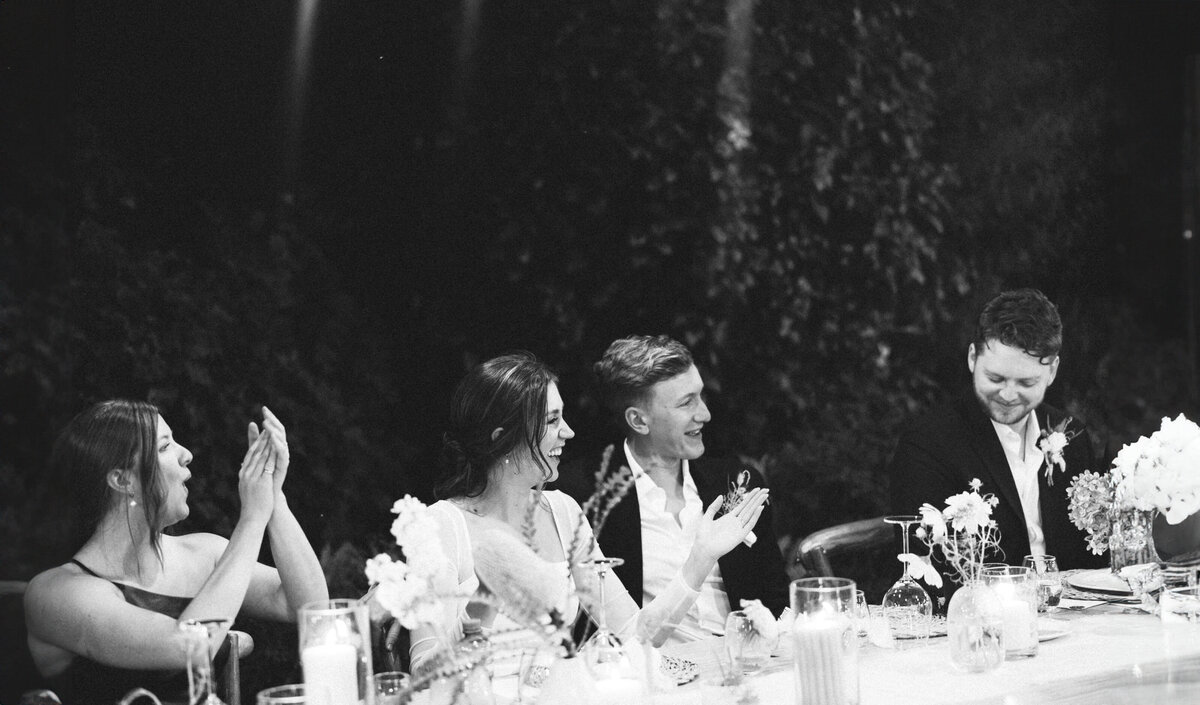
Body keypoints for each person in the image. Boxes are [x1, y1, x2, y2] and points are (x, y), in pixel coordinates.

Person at [409, 351, 766, 670]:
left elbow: (634, 636)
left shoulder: (563, 513)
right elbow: (422, 674)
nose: (568, 432)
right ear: (503, 437)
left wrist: (700, 557)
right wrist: (483, 600)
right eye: (551, 421)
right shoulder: (440, 526)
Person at [24, 401, 328, 703]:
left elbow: (308, 607)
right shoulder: (56, 593)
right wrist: (251, 519)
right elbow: (188, 647)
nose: (187, 455)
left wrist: (274, 497)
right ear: (123, 480)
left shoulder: (203, 553)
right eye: (165, 447)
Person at [556, 335, 791, 644]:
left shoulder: (738, 481)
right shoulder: (583, 499)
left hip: (747, 667)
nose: (704, 414)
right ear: (639, 421)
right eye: (686, 403)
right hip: (652, 678)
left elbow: (777, 601)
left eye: (700, 396)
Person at [889, 288, 1106, 594]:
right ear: (972, 358)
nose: (1007, 395)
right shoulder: (928, 444)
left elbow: (1091, 556)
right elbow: (931, 573)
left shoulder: (1072, 436)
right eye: (995, 378)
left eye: (1026, 383)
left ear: (1052, 371)